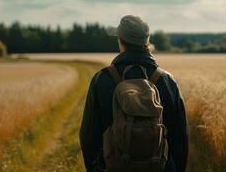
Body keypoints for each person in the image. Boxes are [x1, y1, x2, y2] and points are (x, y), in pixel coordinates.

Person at [80, 15, 188, 172]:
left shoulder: (102, 79)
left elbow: (88, 136)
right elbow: (180, 138)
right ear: (147, 41)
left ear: (120, 41)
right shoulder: (167, 81)